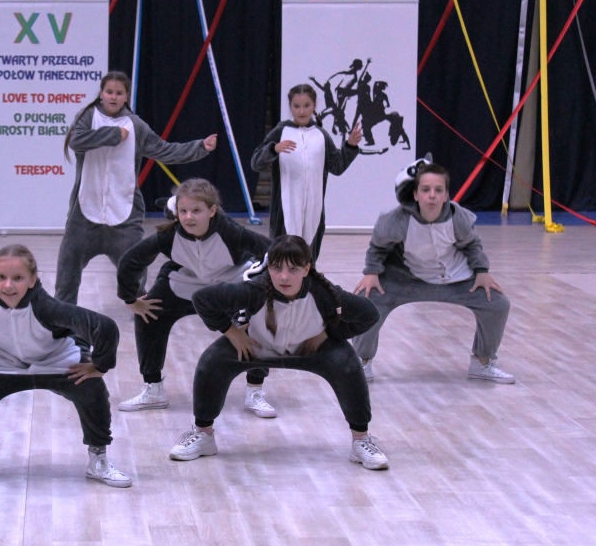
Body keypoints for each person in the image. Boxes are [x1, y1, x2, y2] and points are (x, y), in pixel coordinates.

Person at [168, 235, 389, 470]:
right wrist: (232, 333)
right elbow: (202, 299)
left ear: (306, 269)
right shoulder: (254, 290)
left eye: (293, 269)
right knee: (212, 362)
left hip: (311, 349)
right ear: (269, 268)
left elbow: (369, 314)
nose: (284, 277)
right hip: (256, 347)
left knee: (347, 364)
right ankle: (203, 434)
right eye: (276, 268)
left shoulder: (324, 293)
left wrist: (327, 335)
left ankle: (361, 440)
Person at [0, 244, 131, 488]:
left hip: (56, 361)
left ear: (32, 280)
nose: (8, 286)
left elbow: (104, 327)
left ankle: (98, 459)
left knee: (91, 386)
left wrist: (100, 366)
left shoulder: (47, 308)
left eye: (18, 278)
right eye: (1, 277)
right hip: (1, 361)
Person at [55, 71, 217, 305]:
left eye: (119, 93)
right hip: (84, 213)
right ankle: (62, 314)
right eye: (109, 92)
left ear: (126, 96)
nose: (113, 97)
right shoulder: (87, 116)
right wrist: (112, 134)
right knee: (67, 270)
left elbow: (165, 150)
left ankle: (142, 311)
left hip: (123, 214)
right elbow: (75, 141)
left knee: (135, 271)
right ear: (101, 94)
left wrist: (200, 146)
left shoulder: (136, 125)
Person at [115, 178, 273, 415]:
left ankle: (255, 391)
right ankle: (153, 389)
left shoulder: (231, 232)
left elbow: (273, 253)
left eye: (196, 211)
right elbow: (130, 261)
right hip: (187, 280)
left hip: (231, 281)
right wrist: (130, 300)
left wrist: (263, 288)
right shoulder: (169, 236)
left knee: (257, 319)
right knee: (149, 314)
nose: (189, 217)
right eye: (183, 211)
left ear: (212, 211)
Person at [352, 157, 514, 383]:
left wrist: (482, 270)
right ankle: (360, 364)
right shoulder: (396, 220)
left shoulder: (458, 218)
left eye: (438, 190)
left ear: (446, 195)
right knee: (366, 299)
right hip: (406, 281)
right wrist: (371, 272)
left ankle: (482, 363)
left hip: (455, 280)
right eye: (425, 190)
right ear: (415, 194)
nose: (432, 195)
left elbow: (472, 244)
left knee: (497, 303)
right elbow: (378, 247)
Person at [250, 83, 362, 262]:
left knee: (308, 260)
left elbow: (337, 166)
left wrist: (350, 145)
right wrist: (274, 149)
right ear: (290, 107)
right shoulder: (281, 131)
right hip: (285, 210)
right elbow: (256, 163)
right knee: (282, 258)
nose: (301, 111)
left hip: (314, 212)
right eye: (296, 106)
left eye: (306, 105)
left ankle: (308, 280)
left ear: (314, 106)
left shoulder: (321, 135)